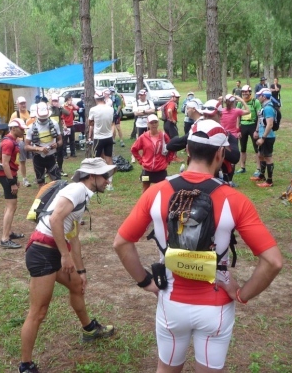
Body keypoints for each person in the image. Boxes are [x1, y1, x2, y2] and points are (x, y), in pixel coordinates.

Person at [114, 119, 282, 373]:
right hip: (216, 305)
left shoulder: (155, 192)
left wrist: (145, 282)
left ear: (188, 150)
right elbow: (273, 261)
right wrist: (242, 294)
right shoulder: (235, 199)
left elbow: (122, 242)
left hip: (171, 302)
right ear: (220, 154)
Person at [19, 158, 116, 373]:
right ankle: (25, 365)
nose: (108, 180)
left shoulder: (82, 195)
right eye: (105, 176)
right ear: (92, 176)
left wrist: (81, 271)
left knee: (77, 286)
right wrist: (65, 256)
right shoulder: (76, 190)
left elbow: (74, 238)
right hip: (43, 252)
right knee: (38, 312)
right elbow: (55, 220)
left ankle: (89, 329)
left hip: (52, 251)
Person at [0, 118, 28, 249]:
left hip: (9, 176)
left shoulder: (12, 141)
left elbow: (10, 163)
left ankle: (8, 233)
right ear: (13, 128)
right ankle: (5, 238)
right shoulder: (8, 143)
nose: (23, 131)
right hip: (6, 177)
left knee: (10, 206)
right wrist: (12, 182)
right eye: (21, 129)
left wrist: (15, 179)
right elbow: (5, 164)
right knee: (11, 206)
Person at [131, 114, 174, 192]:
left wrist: (168, 159)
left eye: (155, 122)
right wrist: (141, 160)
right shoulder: (143, 137)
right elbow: (134, 149)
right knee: (145, 189)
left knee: (162, 190)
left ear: (158, 123)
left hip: (161, 170)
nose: (154, 124)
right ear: (148, 124)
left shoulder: (163, 136)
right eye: (151, 123)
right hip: (147, 170)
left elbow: (172, 147)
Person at [26, 102, 62, 186]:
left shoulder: (54, 124)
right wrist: (39, 149)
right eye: (41, 117)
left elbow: (60, 140)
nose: (43, 119)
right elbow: (26, 146)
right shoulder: (31, 127)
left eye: (45, 117)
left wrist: (57, 144)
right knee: (41, 183)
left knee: (57, 182)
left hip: (51, 157)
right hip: (38, 158)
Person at [88, 92, 115, 190]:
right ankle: (110, 182)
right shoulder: (110, 109)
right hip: (108, 136)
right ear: (103, 98)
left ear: (95, 99)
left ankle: (96, 180)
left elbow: (90, 123)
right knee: (109, 159)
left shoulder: (93, 109)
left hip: (98, 137)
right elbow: (112, 122)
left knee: (96, 159)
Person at [251, 88, 276, 187]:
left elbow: (270, 124)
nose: (258, 97)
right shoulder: (264, 107)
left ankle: (269, 181)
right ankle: (262, 175)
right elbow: (261, 120)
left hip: (268, 137)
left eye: (259, 96)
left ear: (264, 97)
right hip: (262, 135)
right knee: (260, 155)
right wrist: (257, 131)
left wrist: (263, 138)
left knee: (268, 158)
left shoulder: (268, 108)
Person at [236, 85, 261, 174]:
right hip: (243, 126)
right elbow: (237, 116)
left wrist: (257, 130)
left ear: (250, 92)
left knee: (256, 148)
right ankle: (242, 167)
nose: (244, 93)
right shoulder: (240, 103)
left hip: (253, 126)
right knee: (242, 148)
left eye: (246, 92)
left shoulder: (255, 102)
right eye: (243, 92)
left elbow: (259, 116)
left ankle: (258, 168)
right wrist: (238, 129)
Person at [10, 96, 32, 187]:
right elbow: (11, 127)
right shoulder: (15, 115)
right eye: (21, 103)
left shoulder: (30, 113)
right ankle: (24, 179)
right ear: (18, 104)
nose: (23, 105)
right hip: (22, 140)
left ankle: (38, 177)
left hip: (31, 140)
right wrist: (16, 138)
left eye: (24, 103)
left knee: (35, 159)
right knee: (22, 160)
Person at [50, 93, 70, 177]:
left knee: (60, 152)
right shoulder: (48, 109)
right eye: (53, 101)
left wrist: (60, 107)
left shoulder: (59, 108)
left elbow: (68, 113)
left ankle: (60, 169)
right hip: (50, 134)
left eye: (56, 101)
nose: (54, 102)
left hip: (59, 133)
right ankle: (50, 170)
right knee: (50, 153)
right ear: (51, 101)